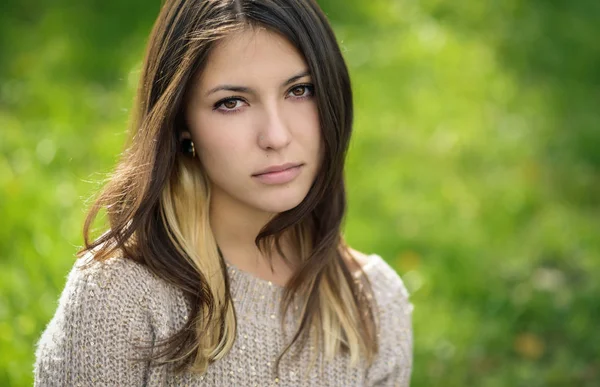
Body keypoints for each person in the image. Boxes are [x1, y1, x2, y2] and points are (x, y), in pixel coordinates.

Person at [33, 0, 413, 385]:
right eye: (231, 103)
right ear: (182, 123)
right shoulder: (120, 295)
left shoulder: (375, 303)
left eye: (300, 90)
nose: (276, 136)